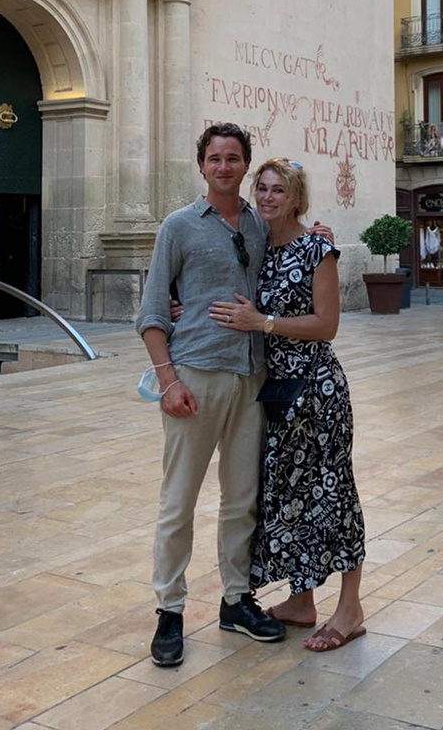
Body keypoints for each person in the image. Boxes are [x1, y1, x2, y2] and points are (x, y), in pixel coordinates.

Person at [136, 124, 332, 667]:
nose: (224, 167)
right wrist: (168, 382)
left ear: (245, 165)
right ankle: (170, 610)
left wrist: (316, 233)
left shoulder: (258, 221)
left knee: (242, 499)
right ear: (201, 165)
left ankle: (235, 600)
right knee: (179, 501)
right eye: (215, 158)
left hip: (253, 379)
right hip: (195, 378)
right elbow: (151, 313)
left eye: (234, 158)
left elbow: (296, 249)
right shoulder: (177, 227)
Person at [208, 158, 366, 652]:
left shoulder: (318, 248)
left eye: (281, 190)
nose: (270, 197)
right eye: (265, 188)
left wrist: (264, 323)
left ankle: (350, 608)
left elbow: (326, 325)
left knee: (332, 493)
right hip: (276, 392)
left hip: (317, 391)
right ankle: (301, 601)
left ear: (297, 198)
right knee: (289, 495)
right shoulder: (256, 247)